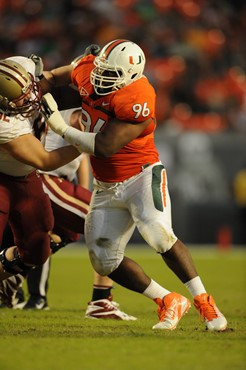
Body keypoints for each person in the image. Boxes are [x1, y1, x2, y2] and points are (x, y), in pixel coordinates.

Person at [39, 39, 227, 331]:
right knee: (103, 260)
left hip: (141, 175)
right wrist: (30, 89)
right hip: (106, 185)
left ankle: (204, 301)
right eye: (101, 70)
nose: (101, 79)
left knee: (159, 234)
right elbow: (52, 78)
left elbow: (104, 146)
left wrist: (62, 128)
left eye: (111, 76)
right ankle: (167, 300)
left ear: (131, 76)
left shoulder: (139, 96)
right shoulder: (88, 69)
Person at [0, 102, 136, 319]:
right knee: (109, 220)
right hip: (47, 178)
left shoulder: (82, 115)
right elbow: (86, 143)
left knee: (57, 238)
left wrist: (81, 193)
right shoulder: (79, 116)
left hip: (58, 180)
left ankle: (9, 279)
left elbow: (82, 157)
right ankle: (101, 301)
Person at [0, 55, 83, 301]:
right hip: (4, 180)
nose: (31, 97)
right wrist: (90, 141)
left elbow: (55, 76)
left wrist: (89, 68)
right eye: (21, 98)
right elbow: (46, 160)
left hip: (26, 178)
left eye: (28, 90)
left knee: (37, 249)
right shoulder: (5, 125)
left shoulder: (20, 69)